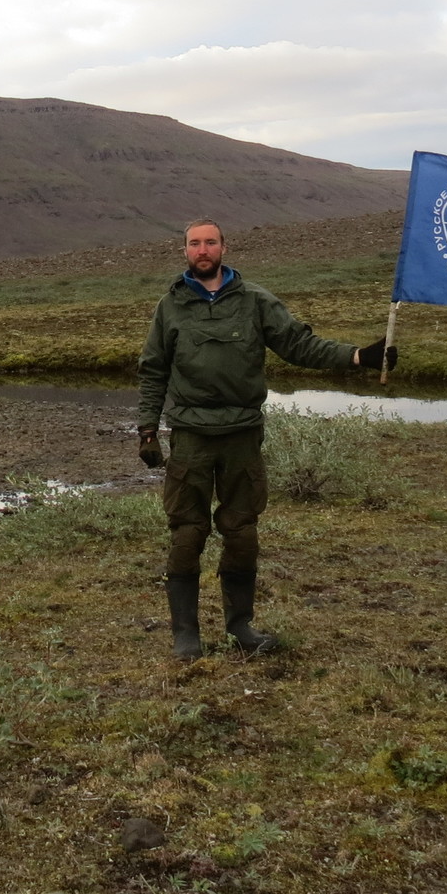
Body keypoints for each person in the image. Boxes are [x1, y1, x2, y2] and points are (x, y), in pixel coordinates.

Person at [136, 218, 395, 660]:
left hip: (242, 436)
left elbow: (299, 345)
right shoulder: (170, 306)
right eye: (195, 243)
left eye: (210, 242)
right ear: (185, 251)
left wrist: (358, 356)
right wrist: (147, 430)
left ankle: (241, 628)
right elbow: (153, 370)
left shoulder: (255, 301)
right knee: (186, 533)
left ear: (224, 247)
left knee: (241, 532)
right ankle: (186, 635)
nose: (203, 250)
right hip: (191, 438)